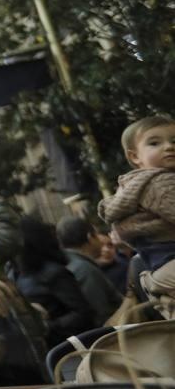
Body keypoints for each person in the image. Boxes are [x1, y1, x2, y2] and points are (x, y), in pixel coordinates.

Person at [100, 115, 175, 318]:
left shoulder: (135, 185)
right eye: (154, 143)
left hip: (158, 264)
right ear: (134, 157)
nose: (168, 146)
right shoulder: (160, 183)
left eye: (173, 141)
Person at [10, 215, 97, 345]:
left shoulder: (52, 273)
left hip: (68, 348)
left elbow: (83, 313)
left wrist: (48, 326)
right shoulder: (14, 273)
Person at [56, 217, 124, 322]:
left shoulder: (68, 264)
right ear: (89, 237)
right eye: (96, 235)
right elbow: (101, 314)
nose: (101, 243)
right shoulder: (85, 270)